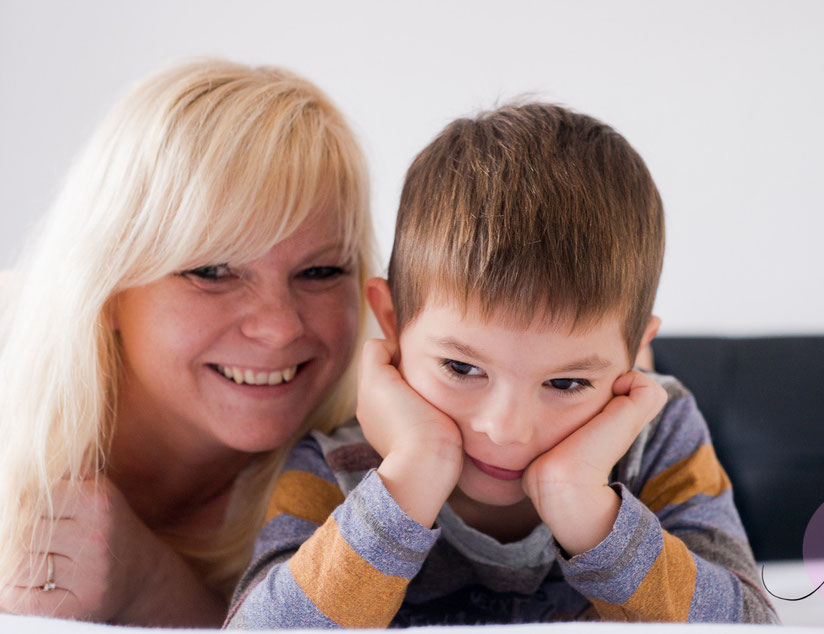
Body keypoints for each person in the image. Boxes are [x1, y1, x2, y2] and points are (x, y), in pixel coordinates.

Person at [226, 103, 778, 627]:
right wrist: (415, 470)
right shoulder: (339, 465)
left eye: (566, 382)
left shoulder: (658, 439)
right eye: (462, 369)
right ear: (391, 321)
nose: (505, 428)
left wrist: (586, 510)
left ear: (633, 356)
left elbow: (753, 626)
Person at [0, 59, 375, 626]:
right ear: (105, 287)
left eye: (321, 273)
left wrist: (149, 584)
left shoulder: (372, 481)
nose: (279, 326)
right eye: (213, 270)